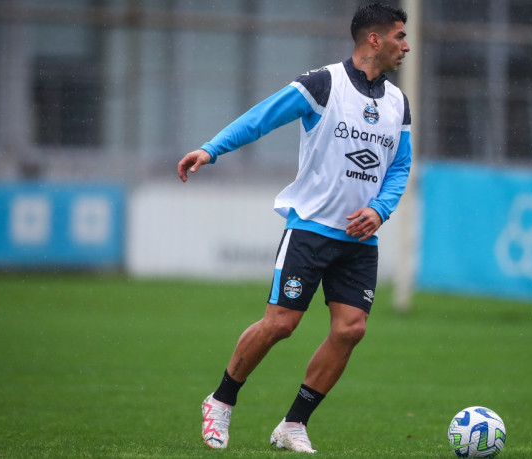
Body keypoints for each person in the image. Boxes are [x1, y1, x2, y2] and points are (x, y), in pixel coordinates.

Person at [176, 3, 411, 454]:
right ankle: (221, 400)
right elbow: (262, 117)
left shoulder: (399, 102)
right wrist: (211, 149)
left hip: (361, 238)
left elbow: (400, 166)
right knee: (282, 323)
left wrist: (380, 210)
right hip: (311, 229)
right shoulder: (322, 84)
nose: (405, 46)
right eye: (399, 36)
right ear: (374, 40)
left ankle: (293, 424)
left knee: (351, 329)